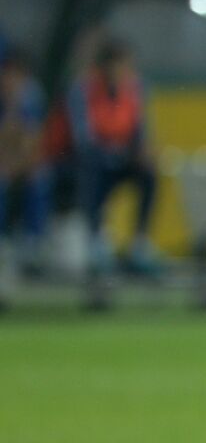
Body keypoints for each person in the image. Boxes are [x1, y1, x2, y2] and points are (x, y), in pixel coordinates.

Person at [68, 37, 161, 277]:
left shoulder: (135, 89)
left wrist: (140, 152)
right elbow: (83, 138)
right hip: (93, 161)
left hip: (123, 159)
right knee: (93, 171)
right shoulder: (84, 90)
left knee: (149, 174)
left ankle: (139, 242)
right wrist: (112, 153)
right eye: (119, 65)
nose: (123, 71)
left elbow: (141, 130)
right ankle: (96, 241)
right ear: (106, 66)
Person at [0, 48, 53, 286]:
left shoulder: (32, 100)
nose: (11, 82)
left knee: (40, 177)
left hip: (17, 164)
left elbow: (32, 144)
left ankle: (33, 244)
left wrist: (17, 163)